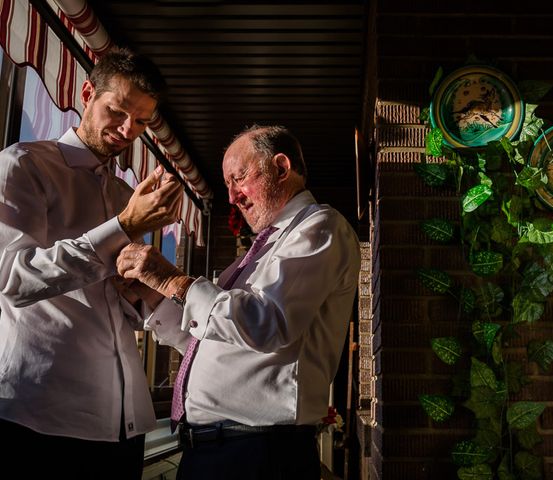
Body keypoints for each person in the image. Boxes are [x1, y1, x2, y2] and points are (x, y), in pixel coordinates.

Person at [116, 125, 361, 479]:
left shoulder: (321, 225)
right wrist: (153, 297)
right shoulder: (258, 252)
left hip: (258, 454)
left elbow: (266, 324)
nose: (232, 197)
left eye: (239, 178)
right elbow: (212, 343)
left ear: (281, 167)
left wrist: (172, 279)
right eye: (228, 185)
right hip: (220, 451)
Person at [0, 47, 184, 479]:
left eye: (141, 122)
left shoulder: (125, 196)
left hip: (123, 420)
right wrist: (122, 226)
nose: (127, 130)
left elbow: (109, 300)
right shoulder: (23, 165)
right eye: (117, 111)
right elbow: (12, 278)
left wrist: (140, 291)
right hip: (41, 413)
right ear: (86, 92)